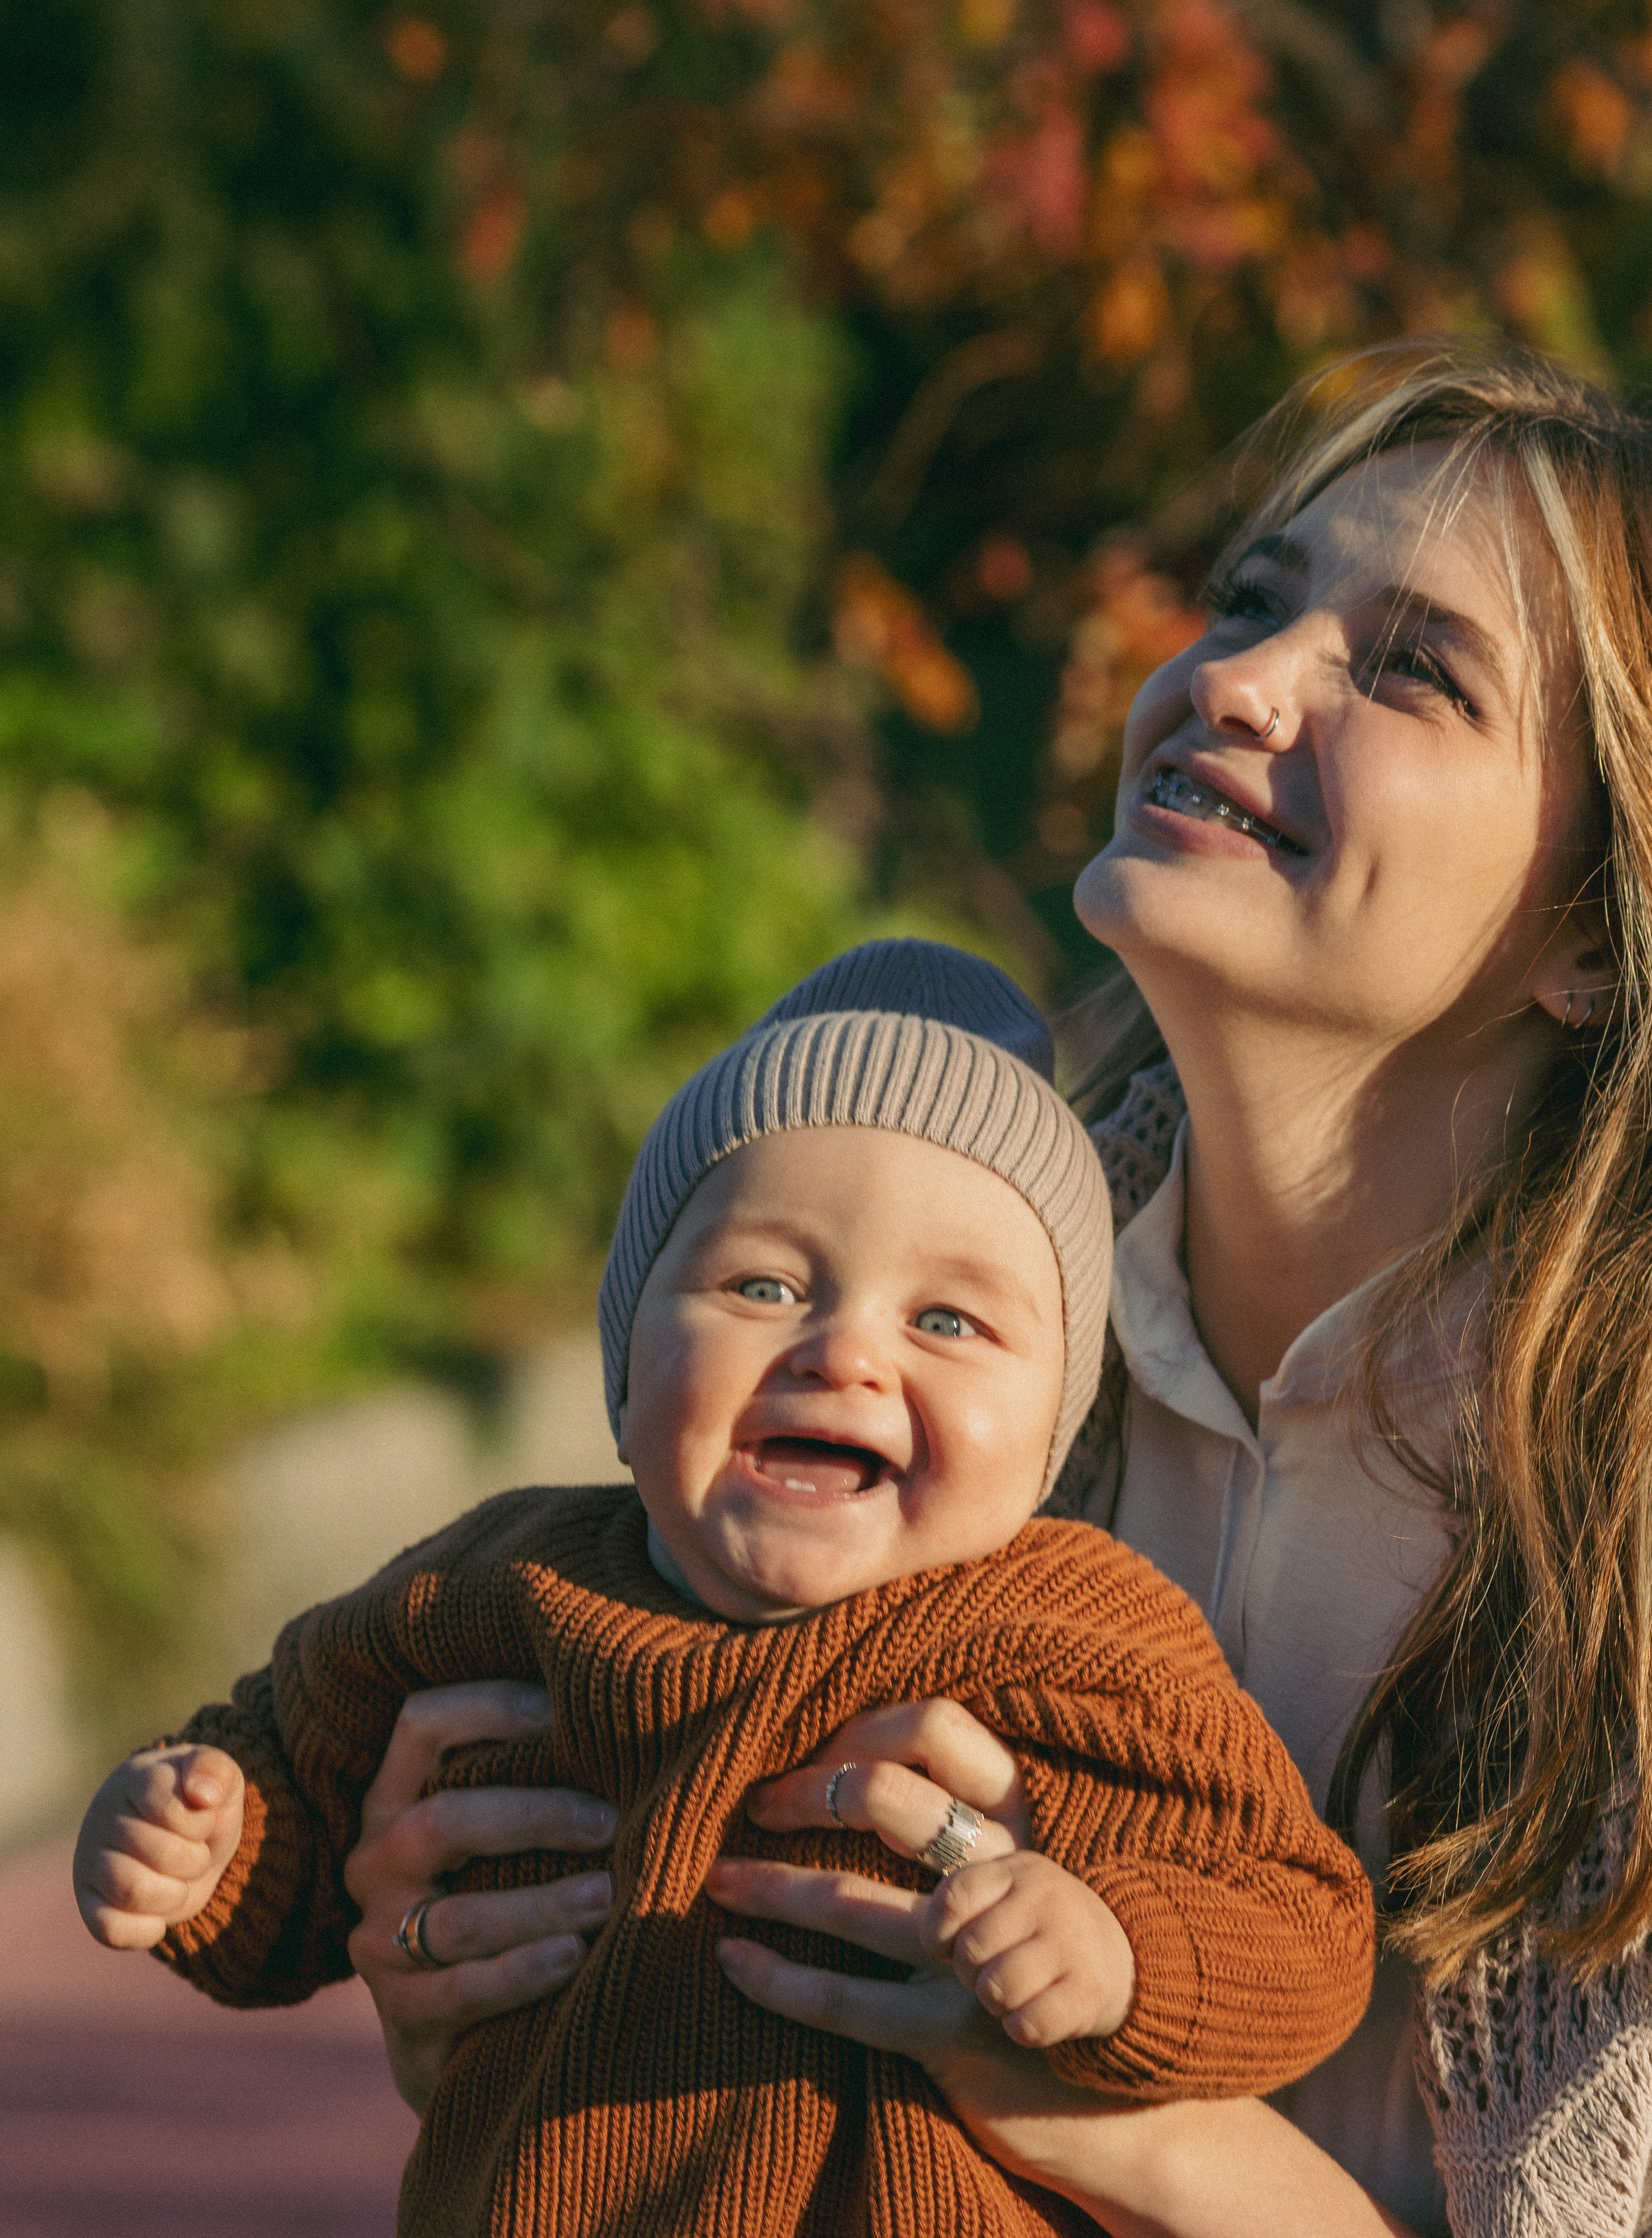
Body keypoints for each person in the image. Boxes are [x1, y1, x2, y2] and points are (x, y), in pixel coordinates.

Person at [327, 347, 1652, 2238]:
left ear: (1594, 928)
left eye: (1411, 669)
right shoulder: (868, 1374)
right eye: (1254, 600)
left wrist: (1131, 2128)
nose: (1232, 679)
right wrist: (497, 1984)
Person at [73, 939, 1376, 2237]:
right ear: (627, 1372)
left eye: (949, 1321)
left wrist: (1119, 1957)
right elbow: (298, 1779)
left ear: (1051, 1437)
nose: (847, 1352)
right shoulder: (496, 1584)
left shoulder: (1070, 1632)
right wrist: (206, 1841)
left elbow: (1296, 1920)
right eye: (763, 1285)